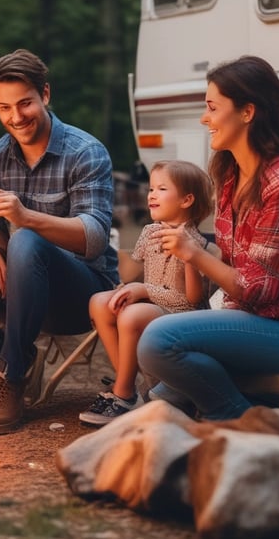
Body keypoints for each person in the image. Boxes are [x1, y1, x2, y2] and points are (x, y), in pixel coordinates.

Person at [0, 48, 119, 434]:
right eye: (4, 108)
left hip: (81, 294)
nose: (16, 117)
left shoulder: (86, 152)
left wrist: (25, 219)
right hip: (21, 289)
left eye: (25, 103)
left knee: (26, 240)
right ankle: (14, 359)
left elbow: (94, 238)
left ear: (45, 94)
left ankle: (9, 380)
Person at [137, 55, 279, 421]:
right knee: (162, 395)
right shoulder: (231, 175)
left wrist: (193, 254)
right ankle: (228, 413)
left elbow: (259, 288)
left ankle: (237, 419)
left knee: (158, 340)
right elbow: (234, 269)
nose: (205, 118)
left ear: (247, 112)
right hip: (254, 321)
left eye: (212, 107)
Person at [79, 160, 213, 426]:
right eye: (151, 188)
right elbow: (131, 273)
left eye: (161, 188)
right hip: (152, 304)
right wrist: (107, 246)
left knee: (131, 315)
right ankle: (128, 384)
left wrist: (144, 288)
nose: (151, 194)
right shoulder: (150, 231)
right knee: (99, 302)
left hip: (180, 315)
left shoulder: (194, 242)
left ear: (186, 200)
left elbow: (192, 300)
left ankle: (123, 395)